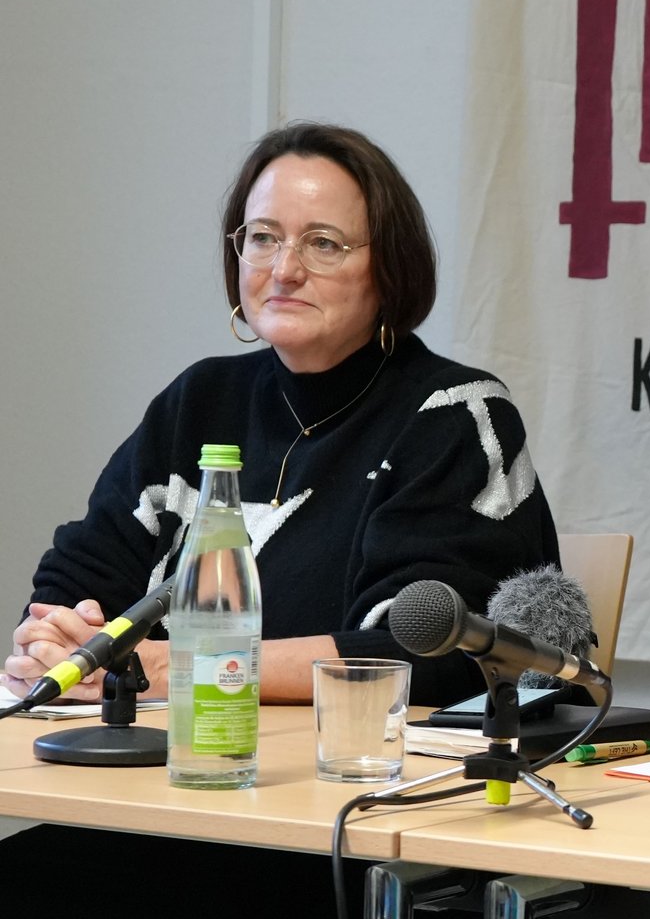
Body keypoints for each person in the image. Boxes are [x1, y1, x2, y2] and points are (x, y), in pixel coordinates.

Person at [7, 122, 559, 710]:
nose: (285, 269)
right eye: (264, 237)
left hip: (355, 772)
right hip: (158, 759)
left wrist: (180, 669)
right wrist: (54, 641)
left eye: (323, 243)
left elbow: (423, 652)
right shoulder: (200, 399)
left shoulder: (452, 414)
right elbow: (81, 574)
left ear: (390, 266)